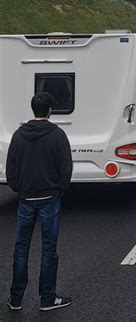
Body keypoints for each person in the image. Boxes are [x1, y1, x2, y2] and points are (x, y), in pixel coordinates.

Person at [6, 93, 73, 312]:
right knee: (48, 249)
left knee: (21, 248)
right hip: (49, 199)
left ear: (33, 109)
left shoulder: (18, 135)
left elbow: (11, 169)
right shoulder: (57, 135)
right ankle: (47, 298)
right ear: (50, 110)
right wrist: (59, 189)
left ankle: (16, 299)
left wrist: (19, 188)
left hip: (26, 199)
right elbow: (65, 167)